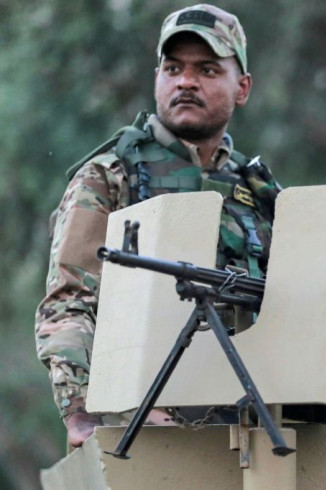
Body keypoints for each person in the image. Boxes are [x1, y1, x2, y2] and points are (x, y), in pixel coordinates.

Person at [35, 4, 281, 449]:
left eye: (206, 69)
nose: (186, 81)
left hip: (254, 420)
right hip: (145, 424)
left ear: (242, 88)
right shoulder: (112, 175)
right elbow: (69, 302)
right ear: (157, 79)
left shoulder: (257, 188)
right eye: (173, 68)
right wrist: (83, 411)